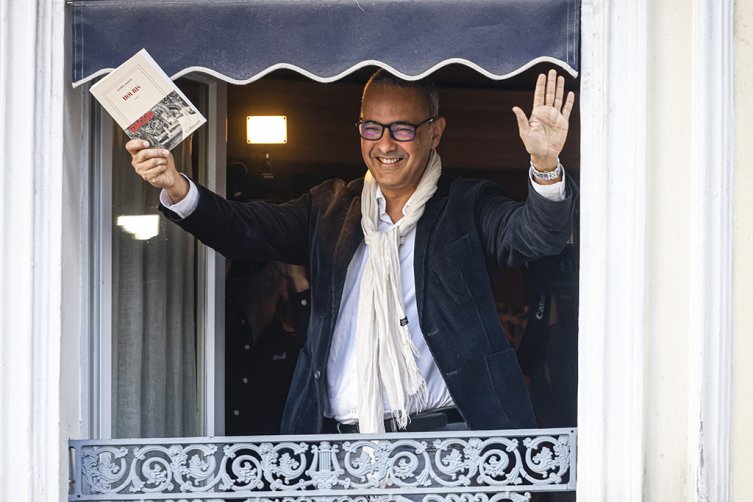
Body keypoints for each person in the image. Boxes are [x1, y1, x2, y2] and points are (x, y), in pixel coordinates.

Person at [126, 68, 578, 434]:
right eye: (371, 127)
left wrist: (544, 165)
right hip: (343, 451)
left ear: (435, 132)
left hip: (445, 447)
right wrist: (177, 186)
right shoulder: (330, 209)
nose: (384, 143)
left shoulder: (468, 206)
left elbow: (534, 236)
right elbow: (245, 229)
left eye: (402, 128)